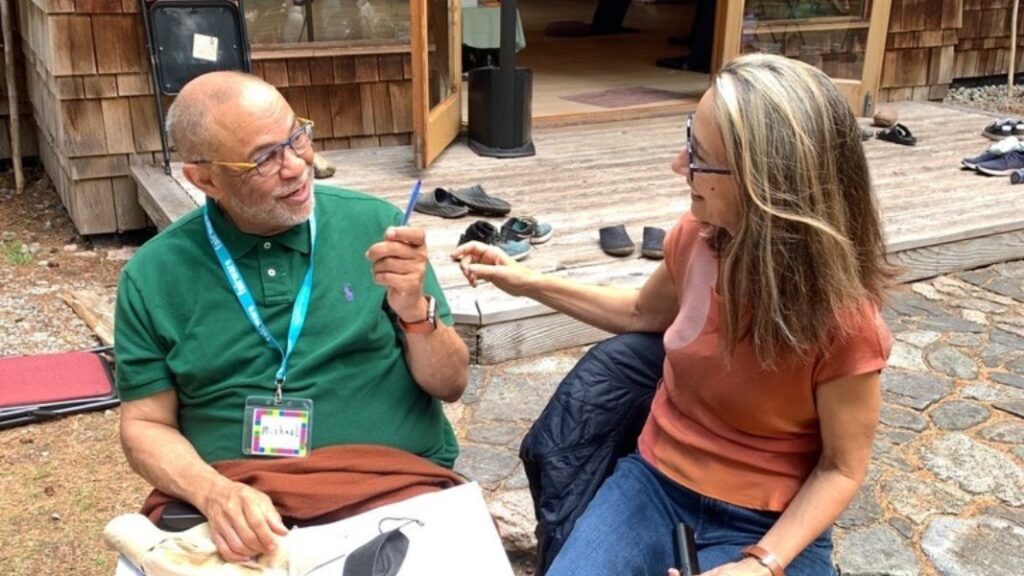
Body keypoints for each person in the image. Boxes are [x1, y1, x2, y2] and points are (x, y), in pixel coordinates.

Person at [452, 53, 893, 576]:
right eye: (689, 140)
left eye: (699, 156)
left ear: (767, 182)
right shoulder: (697, 238)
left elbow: (841, 469)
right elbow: (639, 311)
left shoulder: (846, 323)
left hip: (771, 520)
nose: (679, 165)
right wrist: (523, 280)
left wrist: (763, 563)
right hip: (654, 485)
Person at [114, 71, 469, 563]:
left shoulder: (375, 227)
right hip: (238, 506)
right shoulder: (154, 274)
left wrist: (414, 311)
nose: (297, 166)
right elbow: (145, 424)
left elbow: (450, 384)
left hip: (394, 484)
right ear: (204, 179)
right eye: (264, 158)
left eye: (297, 136)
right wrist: (213, 493)